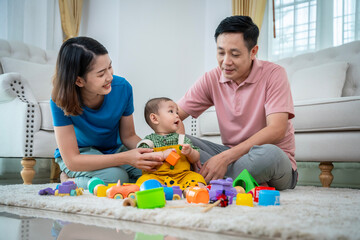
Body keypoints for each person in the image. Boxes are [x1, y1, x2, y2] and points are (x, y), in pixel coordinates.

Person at [177, 16, 297, 190]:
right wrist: (179, 142)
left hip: (269, 162)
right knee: (171, 139)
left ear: (253, 51)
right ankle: (235, 179)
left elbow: (277, 129)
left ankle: (205, 176)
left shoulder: (274, 74)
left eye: (234, 54)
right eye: (220, 53)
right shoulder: (211, 78)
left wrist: (225, 159)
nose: (226, 62)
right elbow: (174, 115)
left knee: (271, 155)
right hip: (232, 156)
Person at [50, 37, 163, 189]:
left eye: (110, 67)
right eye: (101, 73)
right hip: (81, 155)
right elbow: (72, 160)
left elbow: (128, 136)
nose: (109, 76)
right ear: (79, 81)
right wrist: (125, 159)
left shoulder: (123, 88)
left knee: (155, 171)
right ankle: (67, 180)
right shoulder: (60, 101)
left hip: (115, 149)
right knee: (117, 177)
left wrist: (154, 152)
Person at [135, 97, 206, 189]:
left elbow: (196, 158)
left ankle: (192, 192)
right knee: (144, 180)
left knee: (197, 178)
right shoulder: (148, 142)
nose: (177, 115)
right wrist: (162, 154)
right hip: (157, 177)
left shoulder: (182, 139)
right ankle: (156, 192)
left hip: (182, 176)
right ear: (154, 118)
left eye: (177, 112)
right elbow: (143, 159)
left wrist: (190, 152)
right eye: (171, 111)